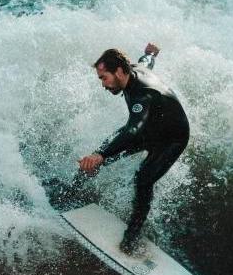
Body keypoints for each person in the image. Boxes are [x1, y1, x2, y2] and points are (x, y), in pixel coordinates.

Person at [78, 43, 190, 254]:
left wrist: (101, 154)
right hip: (147, 129)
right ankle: (72, 191)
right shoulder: (134, 68)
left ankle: (133, 234)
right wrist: (150, 53)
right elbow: (147, 61)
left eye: (104, 78)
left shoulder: (142, 94)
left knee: (143, 178)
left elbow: (133, 130)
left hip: (171, 139)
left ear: (120, 71)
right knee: (100, 155)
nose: (103, 84)